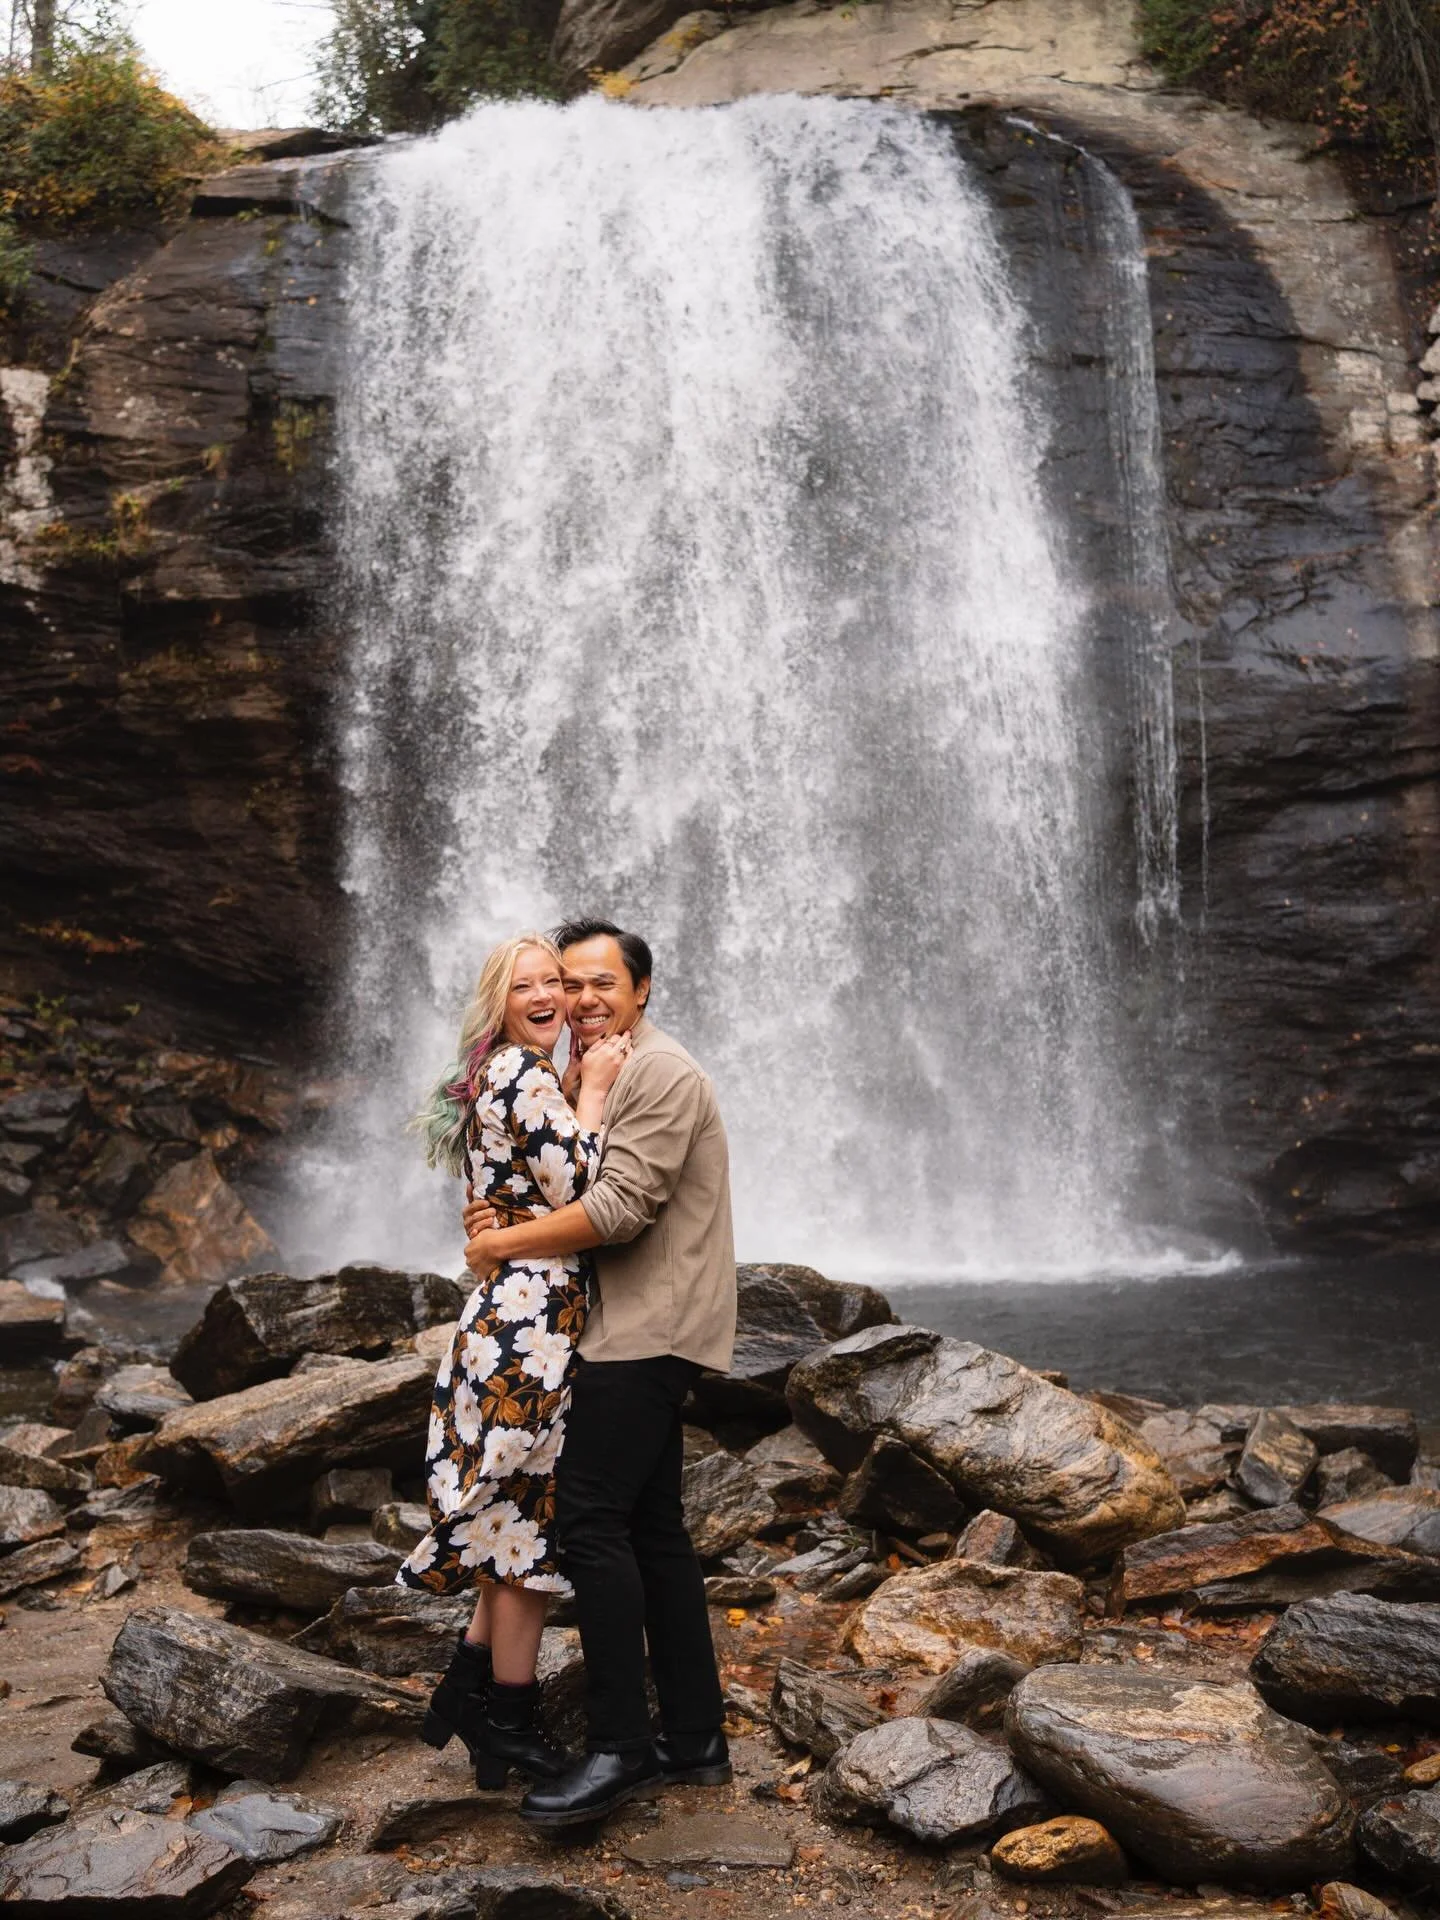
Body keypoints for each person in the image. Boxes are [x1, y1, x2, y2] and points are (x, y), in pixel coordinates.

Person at [461, 917, 737, 1828]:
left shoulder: (658, 1072)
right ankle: (693, 1737)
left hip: (647, 1328)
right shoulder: (586, 1069)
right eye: (567, 983)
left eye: (600, 983)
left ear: (642, 989)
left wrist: (497, 1244)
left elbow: (614, 1210)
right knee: (654, 1530)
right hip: (623, 1324)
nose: (579, 999)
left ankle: (620, 1746)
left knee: (587, 1521)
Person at [401, 932, 632, 1788]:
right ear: (498, 1003)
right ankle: (509, 1720)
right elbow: (588, 1190)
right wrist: (595, 1093)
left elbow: (514, 1186)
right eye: (524, 985)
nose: (546, 997)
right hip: (529, 1324)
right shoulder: (522, 1072)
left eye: (554, 984)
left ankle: (468, 1695)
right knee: (525, 1526)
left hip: (513, 1315)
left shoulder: (503, 1074)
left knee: (508, 1513)